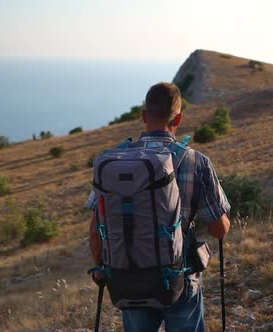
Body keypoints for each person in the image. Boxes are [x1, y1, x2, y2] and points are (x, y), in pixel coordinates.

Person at [86, 82, 231, 331]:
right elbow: (219, 230)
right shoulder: (196, 161)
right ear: (179, 118)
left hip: (128, 278)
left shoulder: (116, 163)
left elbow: (95, 228)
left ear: (143, 116)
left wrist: (102, 269)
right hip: (180, 278)